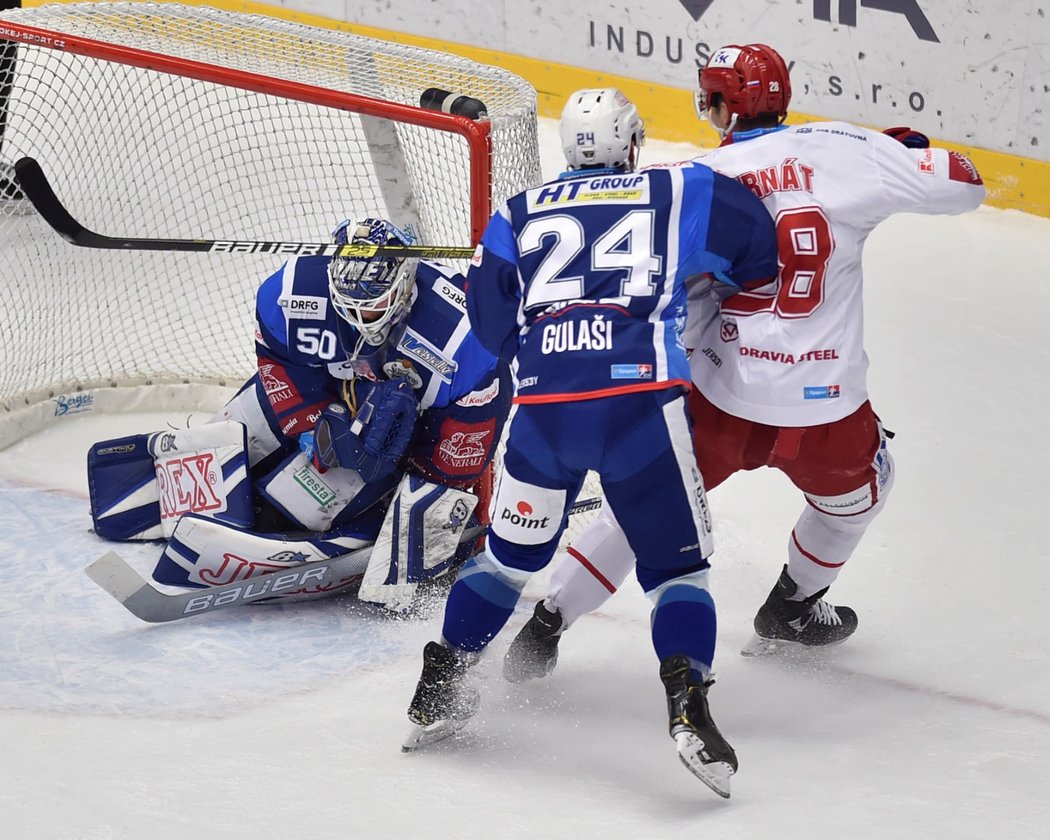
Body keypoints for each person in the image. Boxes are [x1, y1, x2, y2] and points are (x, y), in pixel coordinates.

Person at [504, 43, 987, 675]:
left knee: (648, 505)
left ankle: (546, 626)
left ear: (724, 105)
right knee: (863, 494)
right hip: (826, 406)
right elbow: (965, 184)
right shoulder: (847, 149)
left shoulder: (694, 178)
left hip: (717, 397)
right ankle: (794, 603)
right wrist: (895, 155)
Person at [402, 86, 781, 799]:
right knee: (679, 575)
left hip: (544, 417)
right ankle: (688, 705)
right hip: (639, 411)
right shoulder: (680, 188)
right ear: (631, 142)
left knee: (507, 562)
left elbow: (490, 328)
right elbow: (758, 251)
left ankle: (443, 679)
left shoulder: (515, 213)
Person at [87, 217, 511, 607]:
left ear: (402, 287)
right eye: (348, 306)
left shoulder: (464, 340)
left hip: (419, 422)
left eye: (371, 307)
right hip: (333, 391)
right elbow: (276, 360)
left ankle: (291, 520)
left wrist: (400, 473)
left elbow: (460, 455)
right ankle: (212, 493)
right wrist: (311, 424)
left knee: (310, 496)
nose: (359, 319)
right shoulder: (292, 292)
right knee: (247, 421)